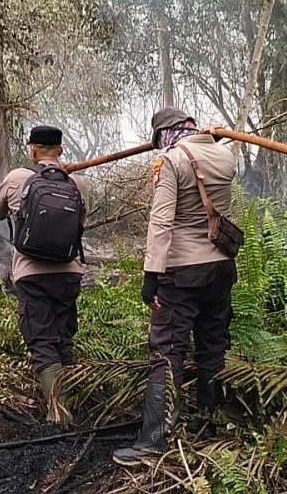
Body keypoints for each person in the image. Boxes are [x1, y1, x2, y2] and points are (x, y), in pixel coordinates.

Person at [112, 107, 238, 466]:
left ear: (165, 134)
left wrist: (151, 274)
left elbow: (162, 219)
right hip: (221, 266)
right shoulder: (224, 153)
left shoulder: (170, 160)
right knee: (212, 346)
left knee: (166, 351)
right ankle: (210, 422)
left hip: (181, 271)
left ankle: (151, 441)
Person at [0, 125, 88, 427]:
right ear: (60, 150)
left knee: (42, 338)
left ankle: (59, 413)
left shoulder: (17, 178)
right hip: (69, 272)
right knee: (63, 336)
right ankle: (68, 405)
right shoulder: (78, 182)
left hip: (31, 274)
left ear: (32, 150)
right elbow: (80, 223)